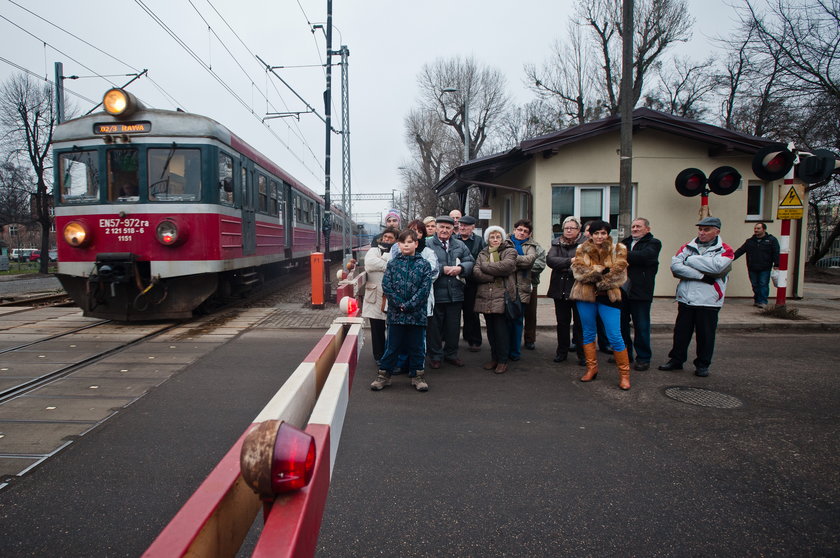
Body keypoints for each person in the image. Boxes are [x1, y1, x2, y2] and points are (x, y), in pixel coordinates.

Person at [658, 216, 734, 377]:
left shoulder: (725, 250)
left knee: (705, 335)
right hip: (686, 298)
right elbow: (676, 267)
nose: (702, 233)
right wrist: (701, 275)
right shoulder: (687, 246)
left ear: (717, 231)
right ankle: (676, 360)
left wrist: (690, 260)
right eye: (700, 229)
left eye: (706, 230)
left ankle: (703, 364)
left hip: (709, 300)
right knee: (681, 333)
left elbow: (717, 268)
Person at [371, 229, 435, 392]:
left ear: (416, 243)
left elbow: (424, 288)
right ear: (398, 245)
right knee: (392, 346)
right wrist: (398, 303)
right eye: (402, 242)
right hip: (396, 313)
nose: (406, 245)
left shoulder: (424, 264)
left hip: (417, 314)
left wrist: (409, 305)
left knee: (417, 346)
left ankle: (418, 376)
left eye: (409, 242)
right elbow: (387, 285)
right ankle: (384, 376)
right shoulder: (392, 264)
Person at [570, 220, 631, 390]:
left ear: (607, 234)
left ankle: (624, 375)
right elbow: (579, 272)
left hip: (609, 296)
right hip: (585, 295)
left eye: (603, 233)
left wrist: (597, 276)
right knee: (588, 332)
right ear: (590, 234)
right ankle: (592, 369)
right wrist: (600, 270)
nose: (599, 236)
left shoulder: (619, 249)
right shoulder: (581, 248)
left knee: (614, 335)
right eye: (596, 233)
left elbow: (619, 275)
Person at [426, 215, 475, 369]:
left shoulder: (460, 245)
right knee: (434, 328)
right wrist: (442, 269)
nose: (444, 230)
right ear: (436, 228)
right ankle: (435, 356)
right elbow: (423, 264)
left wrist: (461, 268)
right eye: (441, 227)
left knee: (453, 327)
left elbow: (470, 261)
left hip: (455, 292)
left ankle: (451, 354)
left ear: (453, 230)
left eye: (448, 228)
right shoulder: (427, 244)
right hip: (435, 294)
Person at [471, 226, 518, 374]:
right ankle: (494, 358)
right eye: (492, 237)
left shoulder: (510, 251)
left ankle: (503, 360)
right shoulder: (483, 252)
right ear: (488, 239)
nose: (495, 239)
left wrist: (485, 266)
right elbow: (476, 272)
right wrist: (493, 275)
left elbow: (507, 266)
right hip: (485, 296)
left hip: (502, 296)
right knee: (490, 330)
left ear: (502, 238)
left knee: (501, 330)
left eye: (498, 237)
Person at [619, 218, 662, 371]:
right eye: (633, 226)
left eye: (639, 226)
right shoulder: (625, 242)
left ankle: (643, 357)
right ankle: (625, 354)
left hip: (641, 291)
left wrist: (622, 255)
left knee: (641, 325)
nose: (635, 229)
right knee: (622, 324)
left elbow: (645, 257)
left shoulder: (653, 243)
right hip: (623, 290)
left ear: (647, 229)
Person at [546, 216, 584, 364]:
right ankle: (562, 352)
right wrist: (570, 262)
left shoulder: (585, 245)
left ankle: (582, 354)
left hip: (578, 290)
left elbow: (584, 264)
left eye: (572, 228)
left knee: (580, 324)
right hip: (559, 290)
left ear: (578, 230)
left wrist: (565, 267)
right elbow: (551, 260)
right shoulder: (556, 243)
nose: (568, 230)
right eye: (566, 228)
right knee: (562, 323)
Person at [508, 219, 545, 358]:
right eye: (519, 230)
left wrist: (514, 266)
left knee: (529, 314)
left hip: (529, 284)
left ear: (529, 234)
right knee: (509, 317)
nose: (522, 233)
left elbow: (539, 265)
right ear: (514, 230)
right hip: (509, 284)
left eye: (525, 231)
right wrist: (524, 263)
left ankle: (529, 339)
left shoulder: (536, 247)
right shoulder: (505, 243)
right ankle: (508, 346)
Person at [362, 227, 398, 366]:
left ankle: (390, 355)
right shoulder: (373, 250)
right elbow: (370, 264)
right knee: (377, 328)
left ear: (396, 240)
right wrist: (388, 263)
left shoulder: (397, 251)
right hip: (374, 295)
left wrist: (383, 261)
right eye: (385, 237)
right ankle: (378, 356)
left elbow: (395, 265)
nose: (387, 239)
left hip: (390, 295)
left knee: (392, 328)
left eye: (391, 237)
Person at [733, 222, 779, 308]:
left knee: (763, 284)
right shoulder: (750, 241)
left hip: (765, 267)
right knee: (755, 285)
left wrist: (777, 264)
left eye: (758, 228)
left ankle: (763, 301)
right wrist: (730, 258)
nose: (756, 230)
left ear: (764, 229)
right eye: (755, 228)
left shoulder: (771, 240)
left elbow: (776, 252)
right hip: (752, 267)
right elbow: (740, 251)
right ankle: (757, 300)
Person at [457, 215, 486, 352]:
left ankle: (474, 340)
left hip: (472, 281)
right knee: (454, 312)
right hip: (455, 281)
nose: (462, 227)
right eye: (461, 225)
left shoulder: (479, 242)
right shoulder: (453, 240)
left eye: (466, 226)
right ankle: (452, 339)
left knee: (472, 312)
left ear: (473, 227)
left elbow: (483, 259)